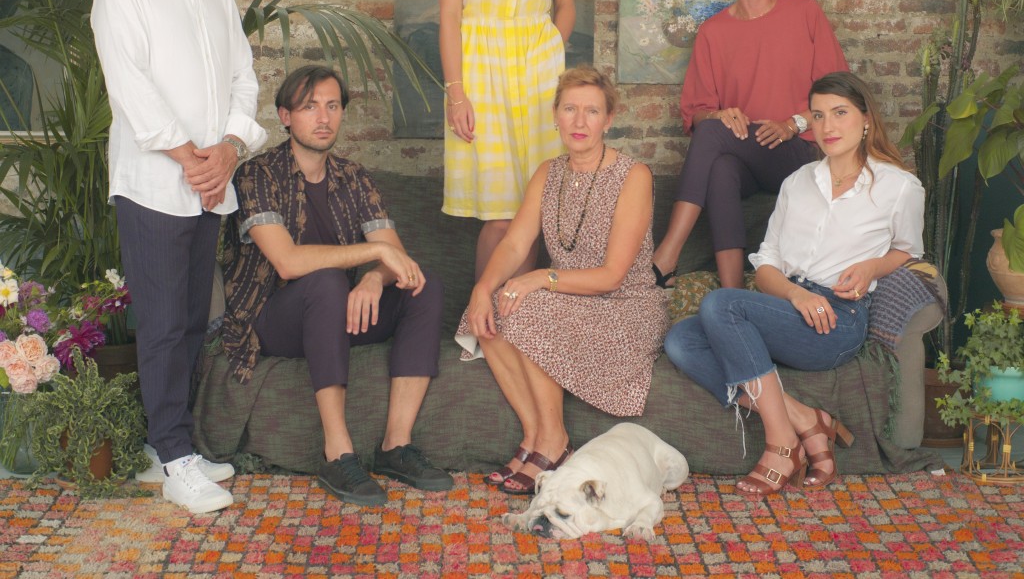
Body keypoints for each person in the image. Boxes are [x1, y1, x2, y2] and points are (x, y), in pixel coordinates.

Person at [92, 0, 267, 514]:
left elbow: (244, 80)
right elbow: (128, 81)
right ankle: (172, 457)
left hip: (208, 184)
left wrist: (228, 148)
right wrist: (187, 155)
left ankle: (172, 447)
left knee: (193, 318)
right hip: (153, 185)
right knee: (163, 325)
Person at [664, 71, 924, 500]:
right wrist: (795, 293)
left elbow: (908, 251)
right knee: (681, 340)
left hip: (837, 320)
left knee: (719, 306)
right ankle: (804, 419)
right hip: (788, 305)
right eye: (818, 116)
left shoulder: (899, 187)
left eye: (840, 113)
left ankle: (781, 446)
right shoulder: (797, 183)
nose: (828, 127)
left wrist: (872, 268)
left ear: (865, 120)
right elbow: (767, 265)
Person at [220, 65, 453, 507]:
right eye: (309, 107)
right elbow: (288, 263)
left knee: (423, 285)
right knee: (324, 280)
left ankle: (395, 447)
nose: (323, 118)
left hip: (340, 312)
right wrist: (371, 256)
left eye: (332, 106)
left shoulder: (354, 178)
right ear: (285, 116)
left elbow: (395, 259)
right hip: (272, 318)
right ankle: (337, 453)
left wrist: (373, 278)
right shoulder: (257, 176)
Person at [457, 66, 669, 495]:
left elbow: (611, 276)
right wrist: (482, 289)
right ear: (555, 115)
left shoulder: (634, 176)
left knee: (528, 306)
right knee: (493, 308)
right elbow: (515, 244)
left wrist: (539, 277)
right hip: (567, 298)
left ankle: (553, 443)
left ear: (609, 120)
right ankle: (536, 438)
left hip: (625, 306)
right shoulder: (547, 173)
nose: (579, 121)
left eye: (592, 111)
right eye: (569, 109)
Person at [650, 0, 848, 290]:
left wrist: (794, 122)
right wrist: (719, 114)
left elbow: (840, 95)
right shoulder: (713, 31)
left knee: (713, 138)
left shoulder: (806, 13)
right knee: (721, 166)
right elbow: (697, 112)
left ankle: (666, 255)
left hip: (796, 151)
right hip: (743, 157)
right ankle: (733, 293)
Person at [436, 0, 576, 280]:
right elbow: (450, 18)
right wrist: (457, 94)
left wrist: (548, 50)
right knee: (499, 214)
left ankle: (521, 322)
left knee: (534, 212)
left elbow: (566, 2)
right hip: (481, 74)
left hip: (539, 76)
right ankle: (483, 319)